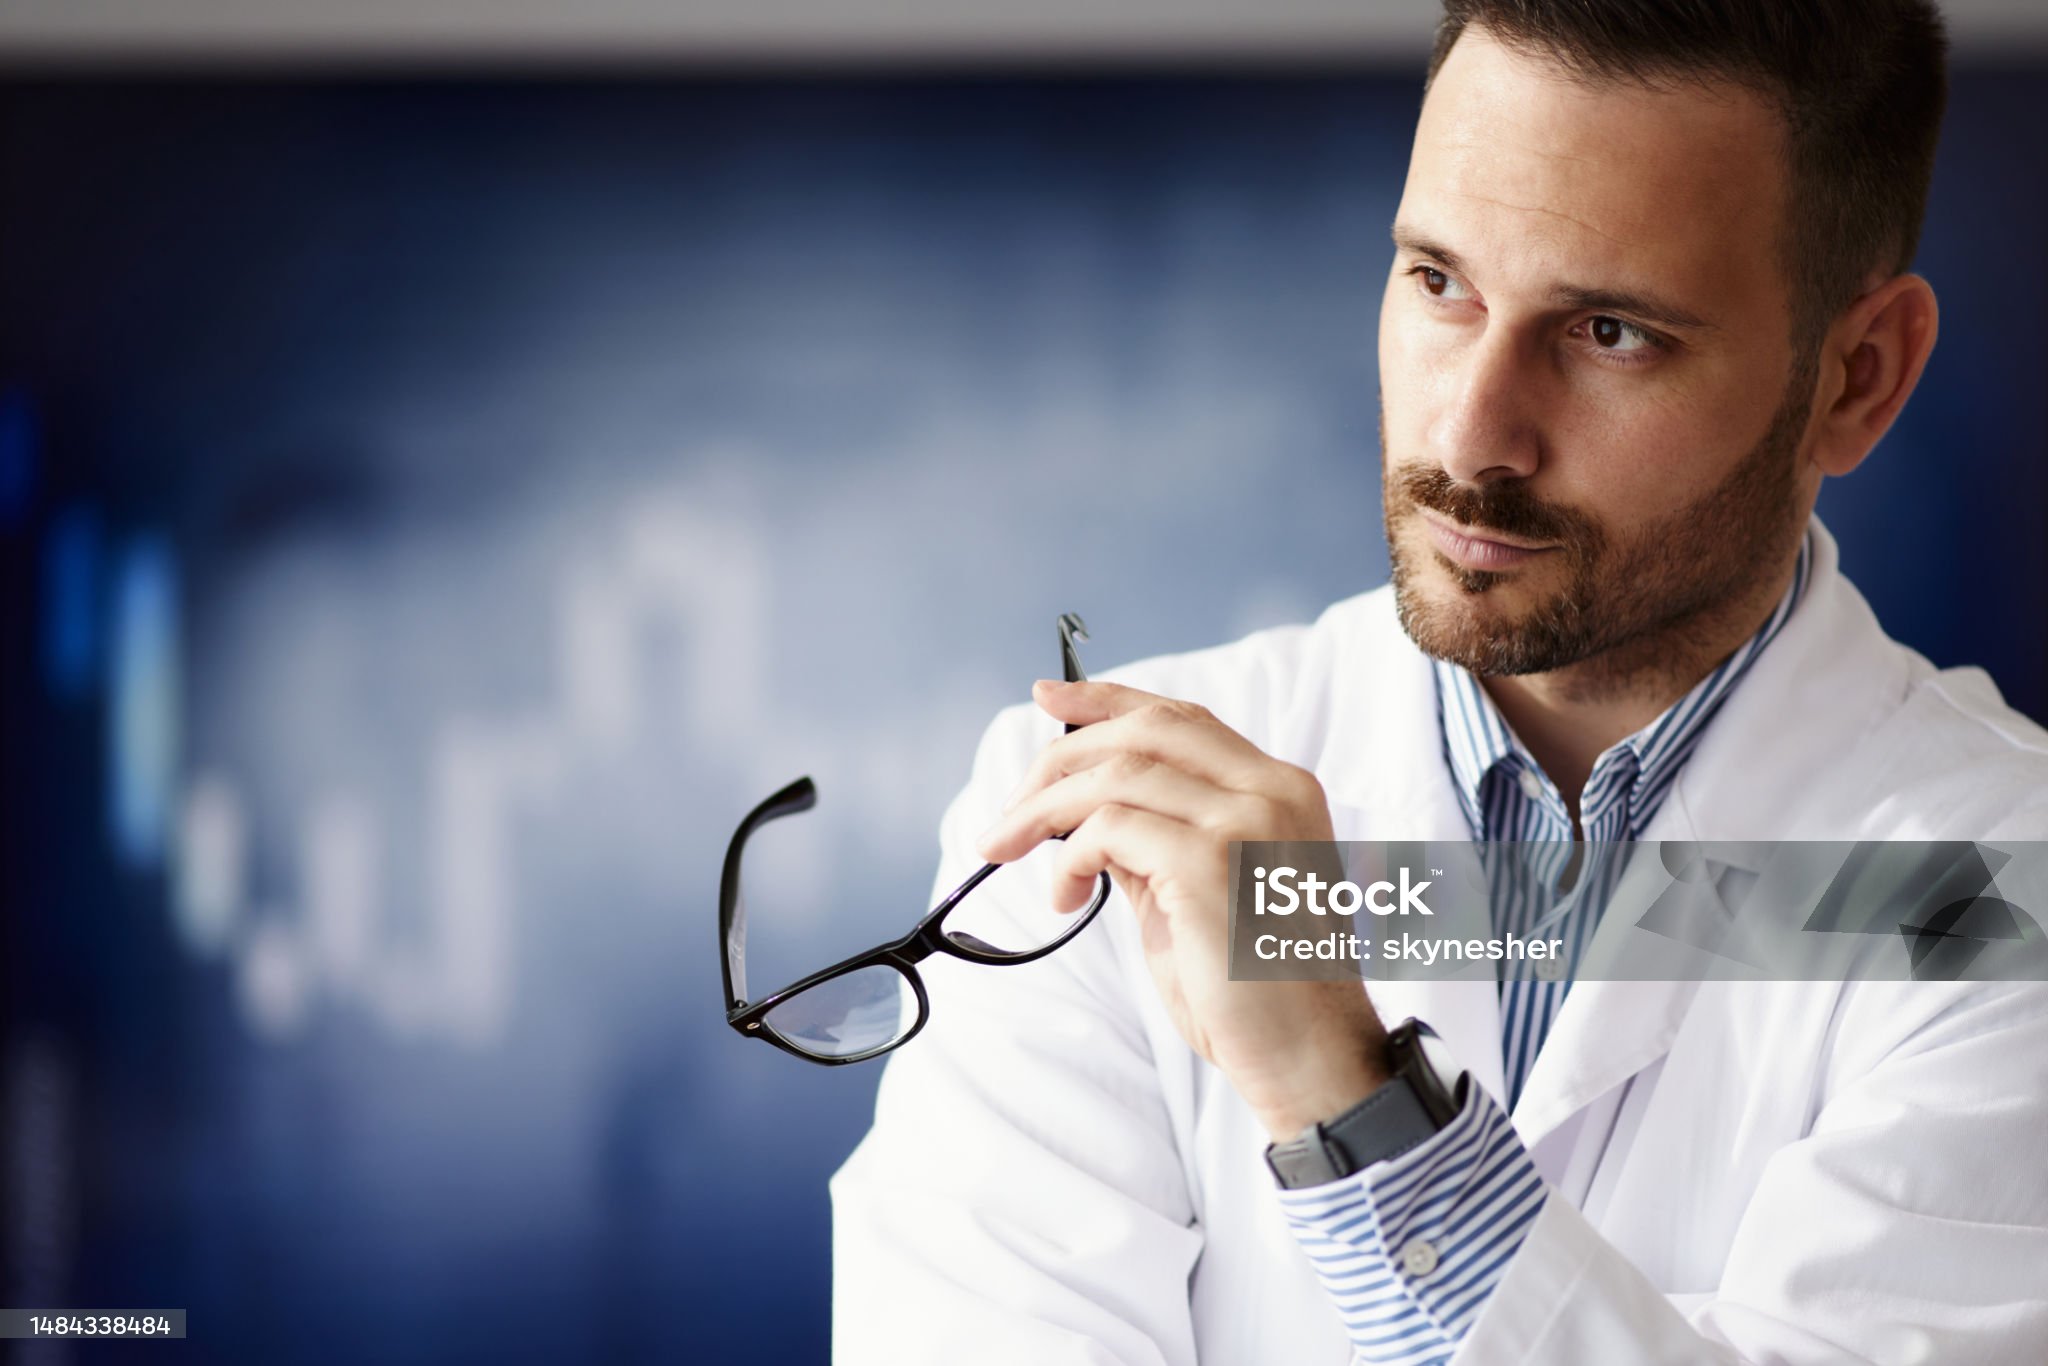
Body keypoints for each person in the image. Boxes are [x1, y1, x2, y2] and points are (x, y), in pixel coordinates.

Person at [830, 1, 2048, 1361]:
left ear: (1857, 378)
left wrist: (1344, 1100)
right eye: (1438, 282)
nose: (1472, 432)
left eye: (1609, 334)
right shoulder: (1090, 817)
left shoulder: (1999, 888)